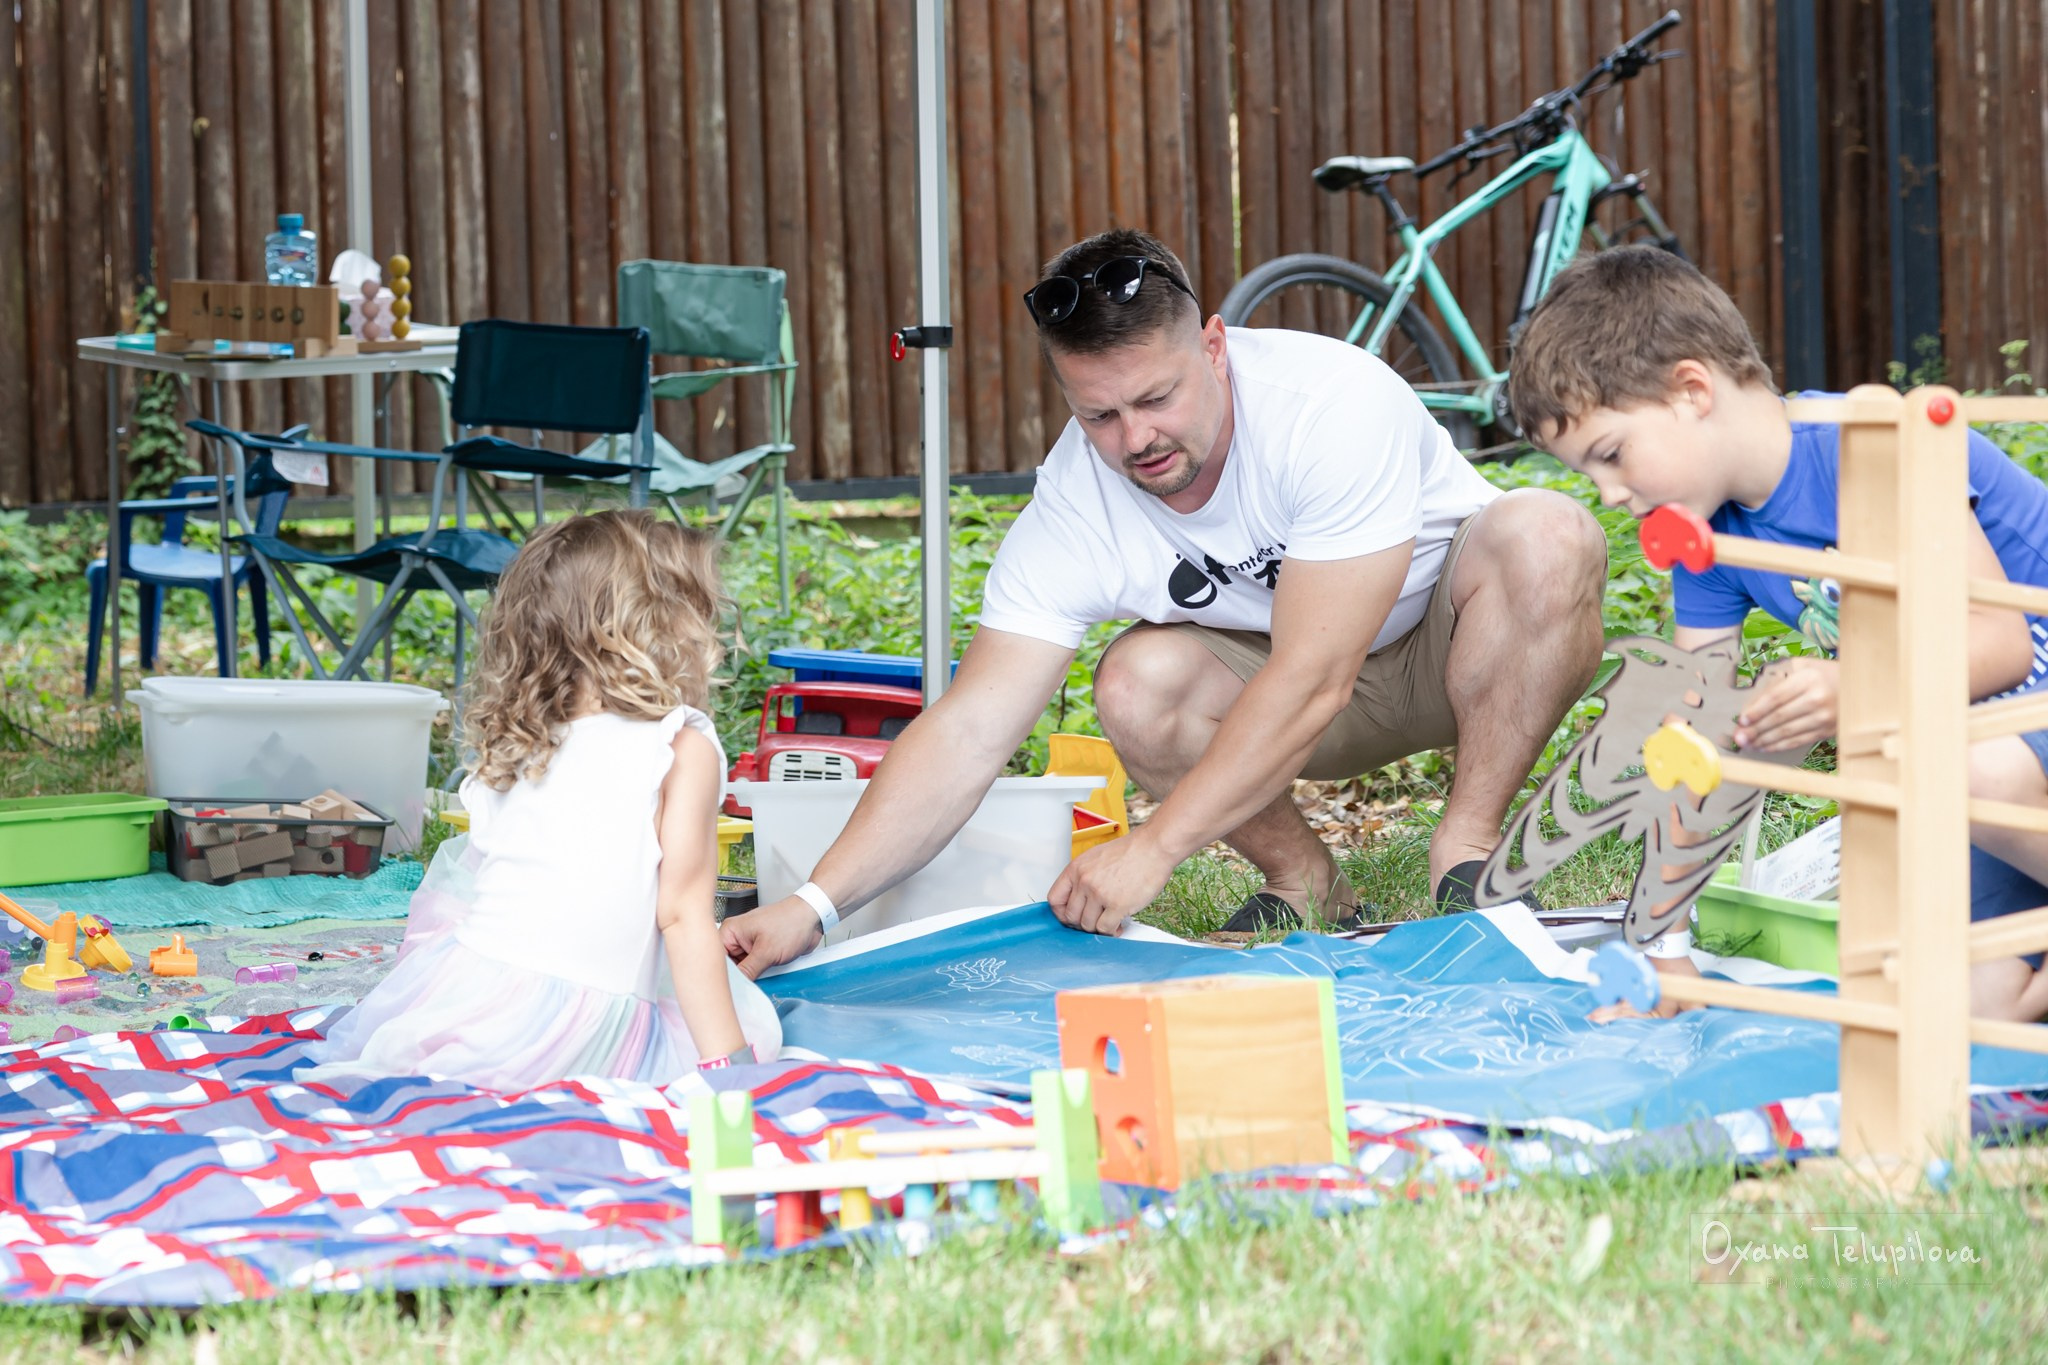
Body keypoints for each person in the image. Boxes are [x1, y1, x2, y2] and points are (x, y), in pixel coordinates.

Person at [719, 227, 1608, 976]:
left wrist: (1153, 847)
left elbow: (1315, 676)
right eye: (1098, 415)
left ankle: (1468, 847)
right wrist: (811, 906)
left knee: (1547, 534)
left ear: (1214, 346)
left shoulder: (1328, 401)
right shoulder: (1073, 503)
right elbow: (967, 730)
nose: (1135, 438)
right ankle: (1308, 884)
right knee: (1136, 681)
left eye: (1156, 397)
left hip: (1450, 651)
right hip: (1287, 693)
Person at [1508, 243, 2048, 1023]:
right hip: (1982, 758)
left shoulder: (1871, 445)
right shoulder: (1711, 545)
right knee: (1965, 1001)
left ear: (1691, 388)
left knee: (1964, 766)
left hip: (2002, 734)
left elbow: (1998, 646)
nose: (1612, 495)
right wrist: (1668, 955)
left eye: (1613, 456)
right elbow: (1699, 745)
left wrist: (1852, 688)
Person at [303, 511, 780, 1088]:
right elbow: (681, 917)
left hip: (468, 992)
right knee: (756, 1026)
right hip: (576, 1025)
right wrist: (731, 1073)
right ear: (654, 628)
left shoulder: (519, 738)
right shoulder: (678, 745)